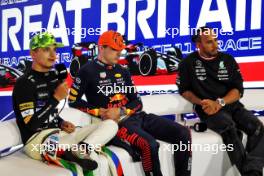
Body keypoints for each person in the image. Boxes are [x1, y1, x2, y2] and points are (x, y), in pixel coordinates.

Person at [68, 30, 191, 176]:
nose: (118, 53)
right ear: (101, 48)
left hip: (136, 116)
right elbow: (73, 100)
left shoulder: (123, 70)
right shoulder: (86, 71)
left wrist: (121, 111)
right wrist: (99, 112)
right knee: (149, 144)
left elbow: (137, 102)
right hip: (117, 125)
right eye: (114, 49)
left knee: (183, 133)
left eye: (120, 49)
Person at [12, 32, 118, 173]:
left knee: (111, 125)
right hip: (36, 142)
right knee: (89, 159)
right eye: (46, 49)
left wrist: (61, 122)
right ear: (33, 54)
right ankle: (74, 151)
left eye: (55, 49)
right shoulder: (23, 83)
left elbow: (49, 112)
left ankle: (80, 150)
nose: (53, 54)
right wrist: (56, 98)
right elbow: (32, 124)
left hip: (59, 134)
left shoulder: (52, 77)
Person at [177, 26, 264, 176]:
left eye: (216, 40)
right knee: (229, 129)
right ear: (198, 44)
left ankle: (252, 171)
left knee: (258, 128)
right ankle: (252, 173)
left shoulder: (228, 60)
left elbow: (238, 90)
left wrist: (220, 103)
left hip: (231, 106)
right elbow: (184, 90)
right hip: (207, 110)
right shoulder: (187, 63)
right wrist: (202, 102)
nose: (215, 45)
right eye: (209, 42)